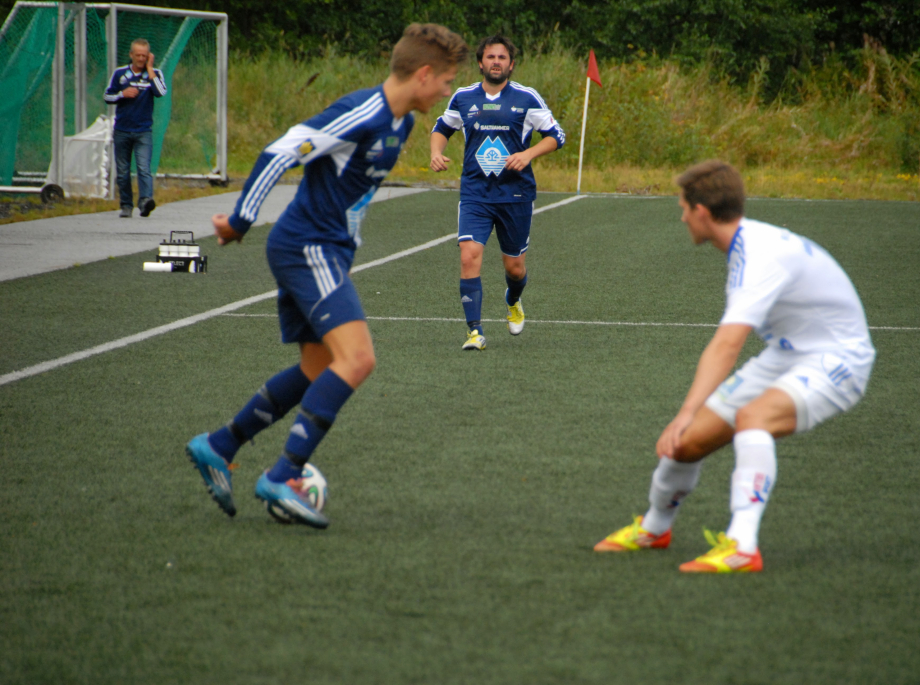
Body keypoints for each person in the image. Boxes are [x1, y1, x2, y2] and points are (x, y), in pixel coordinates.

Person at [185, 24, 468, 529]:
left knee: (318, 370)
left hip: (325, 251)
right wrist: (241, 220)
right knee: (358, 360)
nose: (447, 91)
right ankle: (283, 476)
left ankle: (220, 445)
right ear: (424, 74)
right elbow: (280, 151)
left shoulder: (401, 122)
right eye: (446, 80)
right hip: (306, 247)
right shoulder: (363, 113)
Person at [594, 160, 876, 572]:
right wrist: (688, 421)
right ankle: (655, 528)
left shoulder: (759, 256)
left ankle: (743, 546)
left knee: (752, 418)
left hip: (839, 360)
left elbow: (727, 344)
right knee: (687, 442)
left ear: (702, 212)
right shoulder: (746, 244)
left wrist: (685, 410)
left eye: (683, 208)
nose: (682, 217)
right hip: (787, 354)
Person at [429, 35, 565, 350]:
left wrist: (528, 154)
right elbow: (442, 128)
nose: (496, 62)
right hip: (475, 193)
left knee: (514, 269)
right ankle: (474, 332)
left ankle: (513, 299)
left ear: (511, 64)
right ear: (480, 63)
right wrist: (436, 152)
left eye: (502, 58)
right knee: (469, 255)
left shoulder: (526, 98)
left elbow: (556, 135)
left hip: (515, 195)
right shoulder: (463, 97)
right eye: (490, 57)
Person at [103, 38, 167, 218]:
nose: (140, 58)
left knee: (143, 168)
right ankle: (126, 205)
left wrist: (150, 70)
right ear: (131, 55)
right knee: (123, 171)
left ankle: (145, 202)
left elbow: (161, 92)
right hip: (122, 130)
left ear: (149, 56)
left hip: (143, 131)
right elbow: (107, 97)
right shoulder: (120, 73)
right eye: (137, 55)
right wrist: (122, 94)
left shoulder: (155, 73)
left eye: (144, 56)